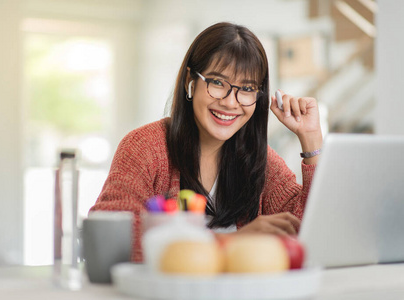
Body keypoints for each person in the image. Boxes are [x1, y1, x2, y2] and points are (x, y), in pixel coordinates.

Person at [90, 22, 323, 262]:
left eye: (246, 88)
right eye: (218, 83)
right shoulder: (145, 146)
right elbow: (112, 240)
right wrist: (231, 241)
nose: (231, 103)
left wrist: (311, 139)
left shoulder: (259, 158)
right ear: (190, 80)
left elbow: (308, 231)